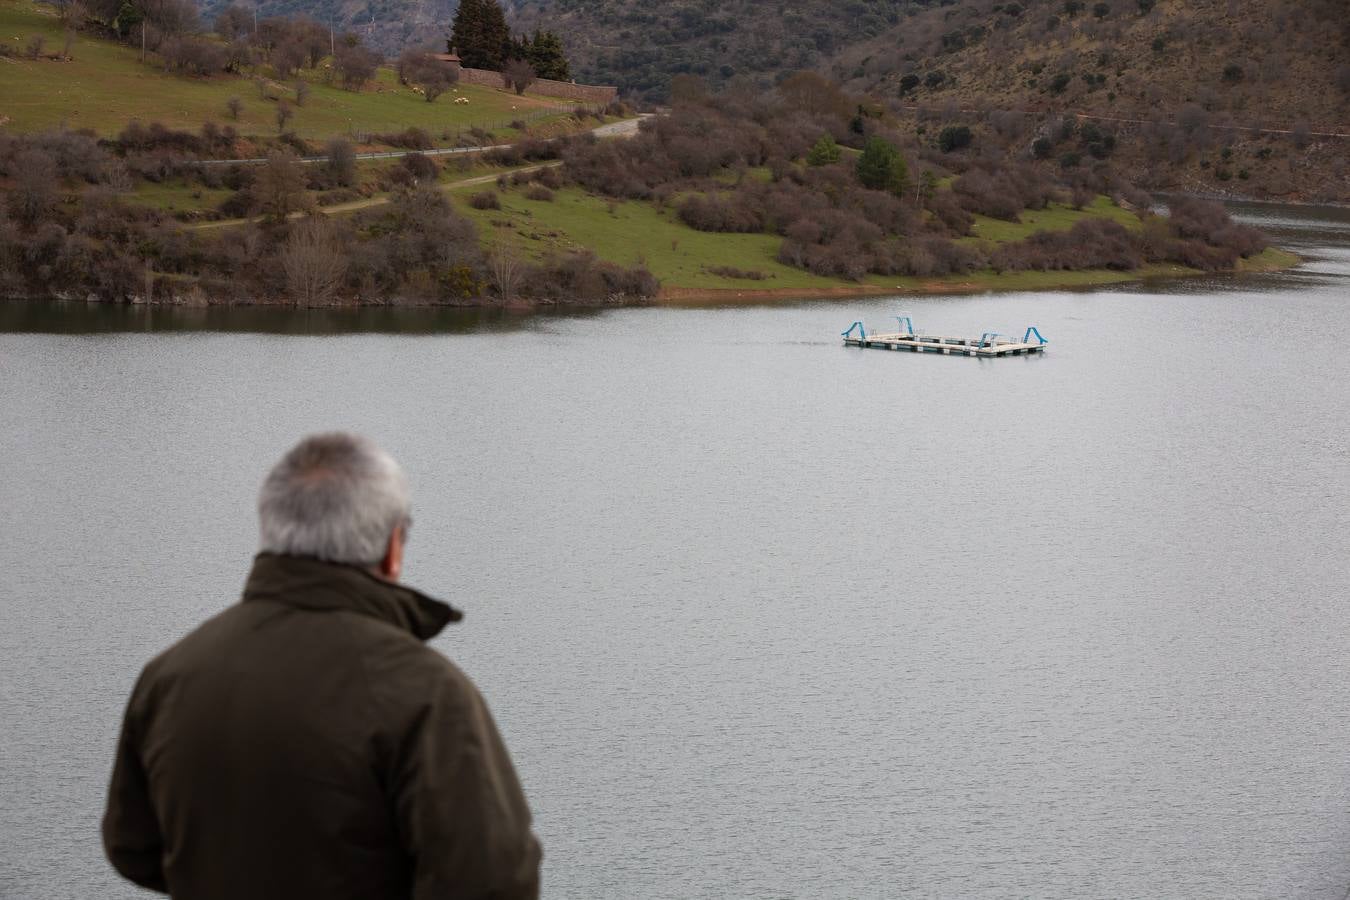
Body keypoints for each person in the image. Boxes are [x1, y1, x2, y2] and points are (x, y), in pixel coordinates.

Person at [102, 432, 541, 899]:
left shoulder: (170, 676)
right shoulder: (425, 692)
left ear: (271, 532)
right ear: (393, 547)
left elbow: (132, 846)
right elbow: (492, 882)